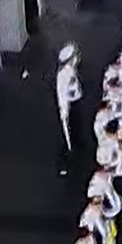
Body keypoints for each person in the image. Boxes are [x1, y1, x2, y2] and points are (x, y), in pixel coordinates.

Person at [53, 45, 82, 176]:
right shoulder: (63, 75)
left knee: (76, 128)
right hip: (69, 107)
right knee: (68, 133)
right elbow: (61, 94)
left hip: (76, 103)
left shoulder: (71, 69)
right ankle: (69, 157)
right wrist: (63, 110)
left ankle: (76, 146)